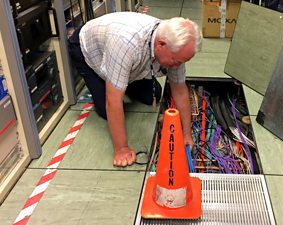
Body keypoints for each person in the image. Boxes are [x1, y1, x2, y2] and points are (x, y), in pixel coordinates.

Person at [68, 12, 201, 167]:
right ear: (161, 44)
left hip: (128, 58)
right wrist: (121, 148)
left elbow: (179, 90)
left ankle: (121, 78)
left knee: (155, 95)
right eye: (176, 61)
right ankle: (118, 79)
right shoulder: (126, 43)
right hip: (88, 49)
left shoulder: (175, 44)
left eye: (182, 62)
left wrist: (186, 134)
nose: (178, 66)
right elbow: (113, 101)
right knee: (108, 109)